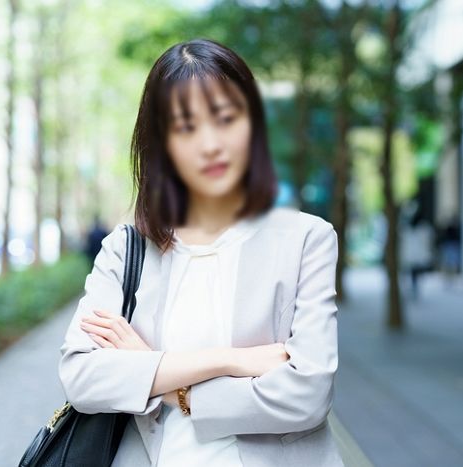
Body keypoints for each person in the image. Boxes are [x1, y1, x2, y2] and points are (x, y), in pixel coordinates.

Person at [58, 39, 343, 467]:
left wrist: (159, 378)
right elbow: (82, 378)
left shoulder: (306, 239)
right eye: (185, 127)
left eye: (226, 118)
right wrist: (232, 361)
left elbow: (306, 397)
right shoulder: (127, 248)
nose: (211, 144)